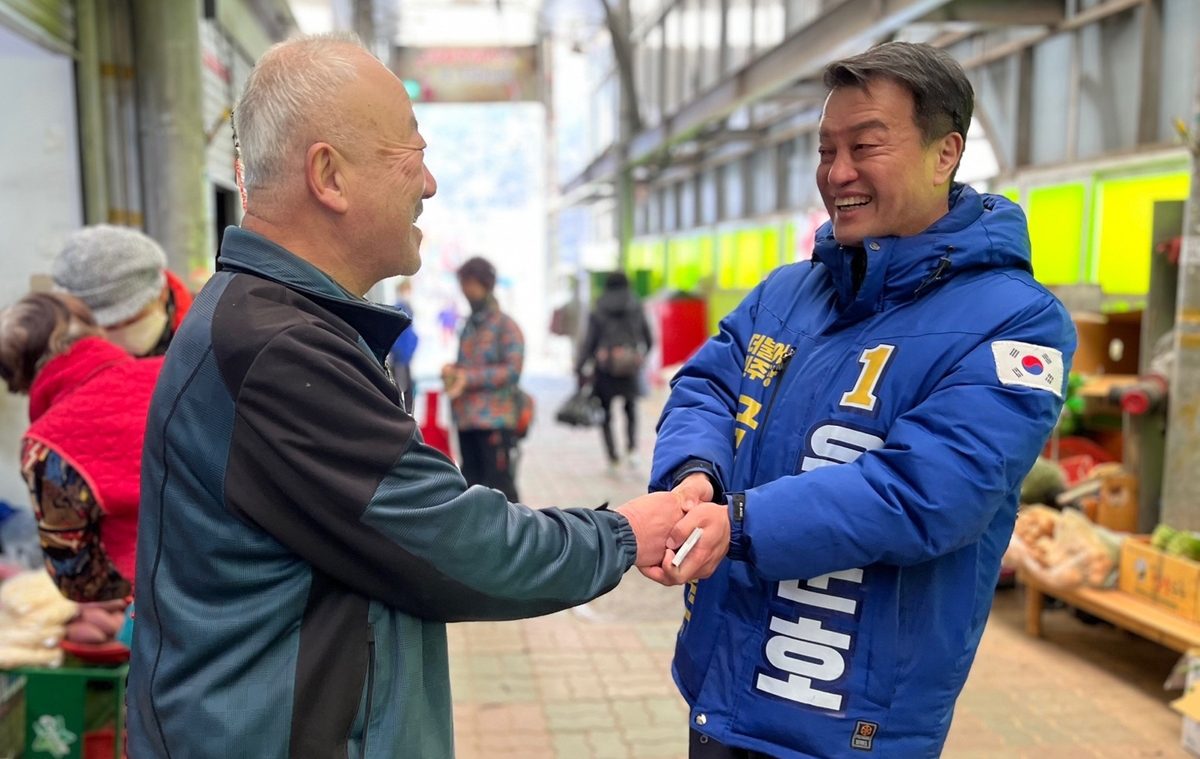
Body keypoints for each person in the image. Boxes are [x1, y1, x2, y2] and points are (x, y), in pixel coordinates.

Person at [127, 34, 697, 759]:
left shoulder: (273, 321)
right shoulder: (276, 346)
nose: (429, 185)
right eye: (412, 154)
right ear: (329, 176)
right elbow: (460, 546)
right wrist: (620, 534)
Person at [645, 42, 1076, 759]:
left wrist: (741, 523)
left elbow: (931, 492)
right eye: (825, 149)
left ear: (946, 154)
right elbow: (708, 385)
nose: (837, 173)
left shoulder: (1016, 321)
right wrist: (695, 472)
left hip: (845, 722)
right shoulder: (788, 293)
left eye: (865, 146)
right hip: (721, 695)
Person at [0, 293, 162, 603]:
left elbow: (79, 579)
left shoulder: (46, 447)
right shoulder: (175, 370)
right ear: (95, 329)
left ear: (20, 381)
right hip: (263, 573)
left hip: (176, 607)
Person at [442, 257, 525, 501]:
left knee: (501, 489)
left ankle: (514, 538)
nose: (467, 291)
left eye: (471, 284)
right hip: (466, 419)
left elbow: (512, 371)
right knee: (470, 487)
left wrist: (468, 378)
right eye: (464, 285)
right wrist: (454, 370)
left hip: (495, 421)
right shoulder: (469, 324)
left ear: (486, 285)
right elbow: (467, 363)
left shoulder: (506, 326)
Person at [51, 225, 194, 357]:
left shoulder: (206, 338)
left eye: (132, 319)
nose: (123, 335)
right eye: (109, 326)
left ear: (162, 293)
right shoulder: (58, 349)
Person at [576, 271, 653, 474]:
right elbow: (649, 337)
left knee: (606, 413)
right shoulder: (635, 305)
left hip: (605, 368)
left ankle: (612, 458)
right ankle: (632, 450)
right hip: (629, 367)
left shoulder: (599, 308)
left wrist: (580, 366)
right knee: (630, 409)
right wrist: (640, 356)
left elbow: (589, 341)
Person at [389, 278, 418, 412]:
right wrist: (401, 353)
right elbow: (396, 336)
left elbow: (412, 335)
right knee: (402, 390)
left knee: (408, 391)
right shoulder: (399, 309)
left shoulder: (408, 309)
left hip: (406, 358)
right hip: (400, 359)